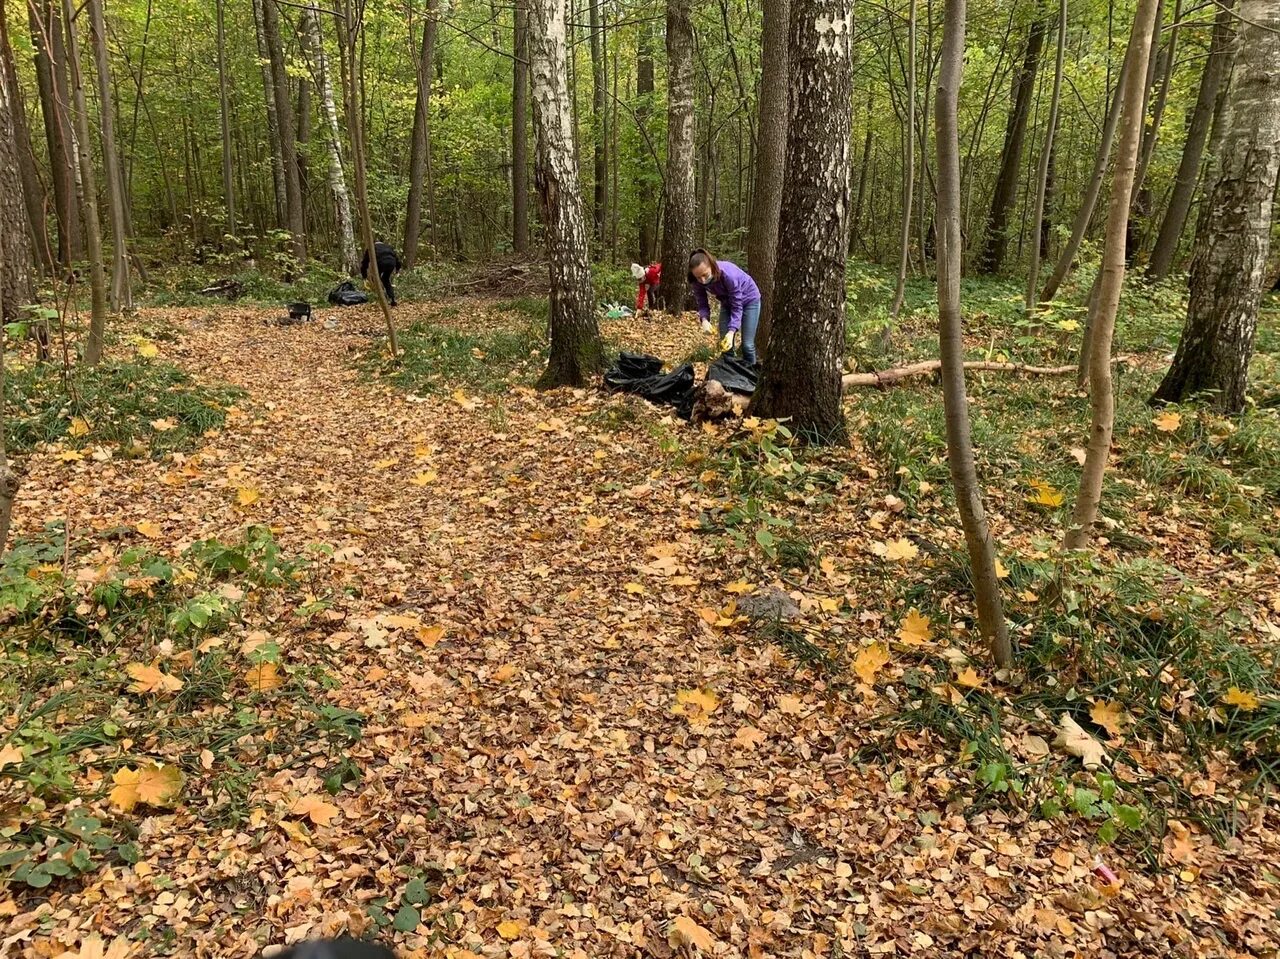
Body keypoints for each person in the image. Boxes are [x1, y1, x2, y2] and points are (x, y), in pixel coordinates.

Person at [687, 248, 762, 364]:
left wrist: (732, 331)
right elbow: (702, 303)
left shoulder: (728, 275)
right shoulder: (696, 282)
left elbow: (737, 306)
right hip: (726, 303)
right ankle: (729, 374)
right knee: (725, 344)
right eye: (698, 277)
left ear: (711, 266)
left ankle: (751, 377)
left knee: (747, 345)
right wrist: (704, 320)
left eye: (705, 275)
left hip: (749, 300)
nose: (702, 280)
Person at [360, 241, 402, 306]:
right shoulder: (389, 247)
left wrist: (364, 276)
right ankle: (392, 298)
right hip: (391, 263)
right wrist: (397, 269)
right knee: (385, 279)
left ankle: (383, 297)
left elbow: (365, 263)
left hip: (380, 263)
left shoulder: (371, 248)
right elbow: (397, 259)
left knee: (376, 280)